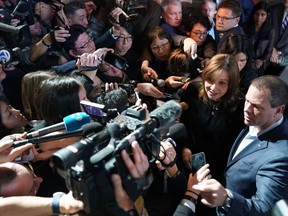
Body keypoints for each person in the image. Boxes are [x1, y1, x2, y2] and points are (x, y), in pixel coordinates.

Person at [193, 75, 288, 216]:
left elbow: (264, 208)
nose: (247, 109)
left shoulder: (281, 157)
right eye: (247, 101)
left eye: (256, 106)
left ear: (279, 110)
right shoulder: (254, 119)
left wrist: (226, 199)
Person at [180, 54, 245, 216]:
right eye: (210, 80)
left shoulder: (240, 106)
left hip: (217, 172)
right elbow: (185, 124)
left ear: (231, 84)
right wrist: (185, 147)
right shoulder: (194, 91)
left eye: (222, 83)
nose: (213, 88)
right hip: (189, 163)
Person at [241, 1, 274, 77]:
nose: (259, 17)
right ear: (253, 14)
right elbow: (241, 45)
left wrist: (261, 61)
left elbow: (269, 51)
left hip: (258, 65)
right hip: (244, 61)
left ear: (267, 15)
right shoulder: (245, 27)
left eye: (263, 15)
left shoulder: (270, 31)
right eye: (257, 14)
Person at [266, 0, 288, 75]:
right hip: (265, 54)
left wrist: (278, 53)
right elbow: (264, 30)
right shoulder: (274, 9)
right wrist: (271, 49)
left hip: (283, 60)